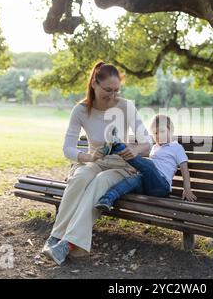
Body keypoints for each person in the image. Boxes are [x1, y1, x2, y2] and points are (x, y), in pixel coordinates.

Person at [42, 61, 152, 265]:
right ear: (94, 83)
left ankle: (68, 244)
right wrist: (87, 157)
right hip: (95, 161)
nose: (112, 95)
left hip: (122, 167)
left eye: (116, 90)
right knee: (80, 177)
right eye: (107, 90)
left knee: (99, 182)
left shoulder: (126, 107)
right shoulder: (81, 110)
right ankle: (55, 237)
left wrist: (135, 149)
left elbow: (148, 142)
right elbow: (68, 148)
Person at [95, 114, 197, 211]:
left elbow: (185, 170)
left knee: (150, 165)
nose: (158, 135)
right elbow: (145, 168)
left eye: (161, 131)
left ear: (171, 131)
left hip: (161, 186)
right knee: (132, 180)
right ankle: (106, 200)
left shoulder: (177, 148)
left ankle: (117, 146)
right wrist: (134, 169)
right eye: (155, 133)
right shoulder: (155, 148)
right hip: (146, 185)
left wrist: (187, 189)